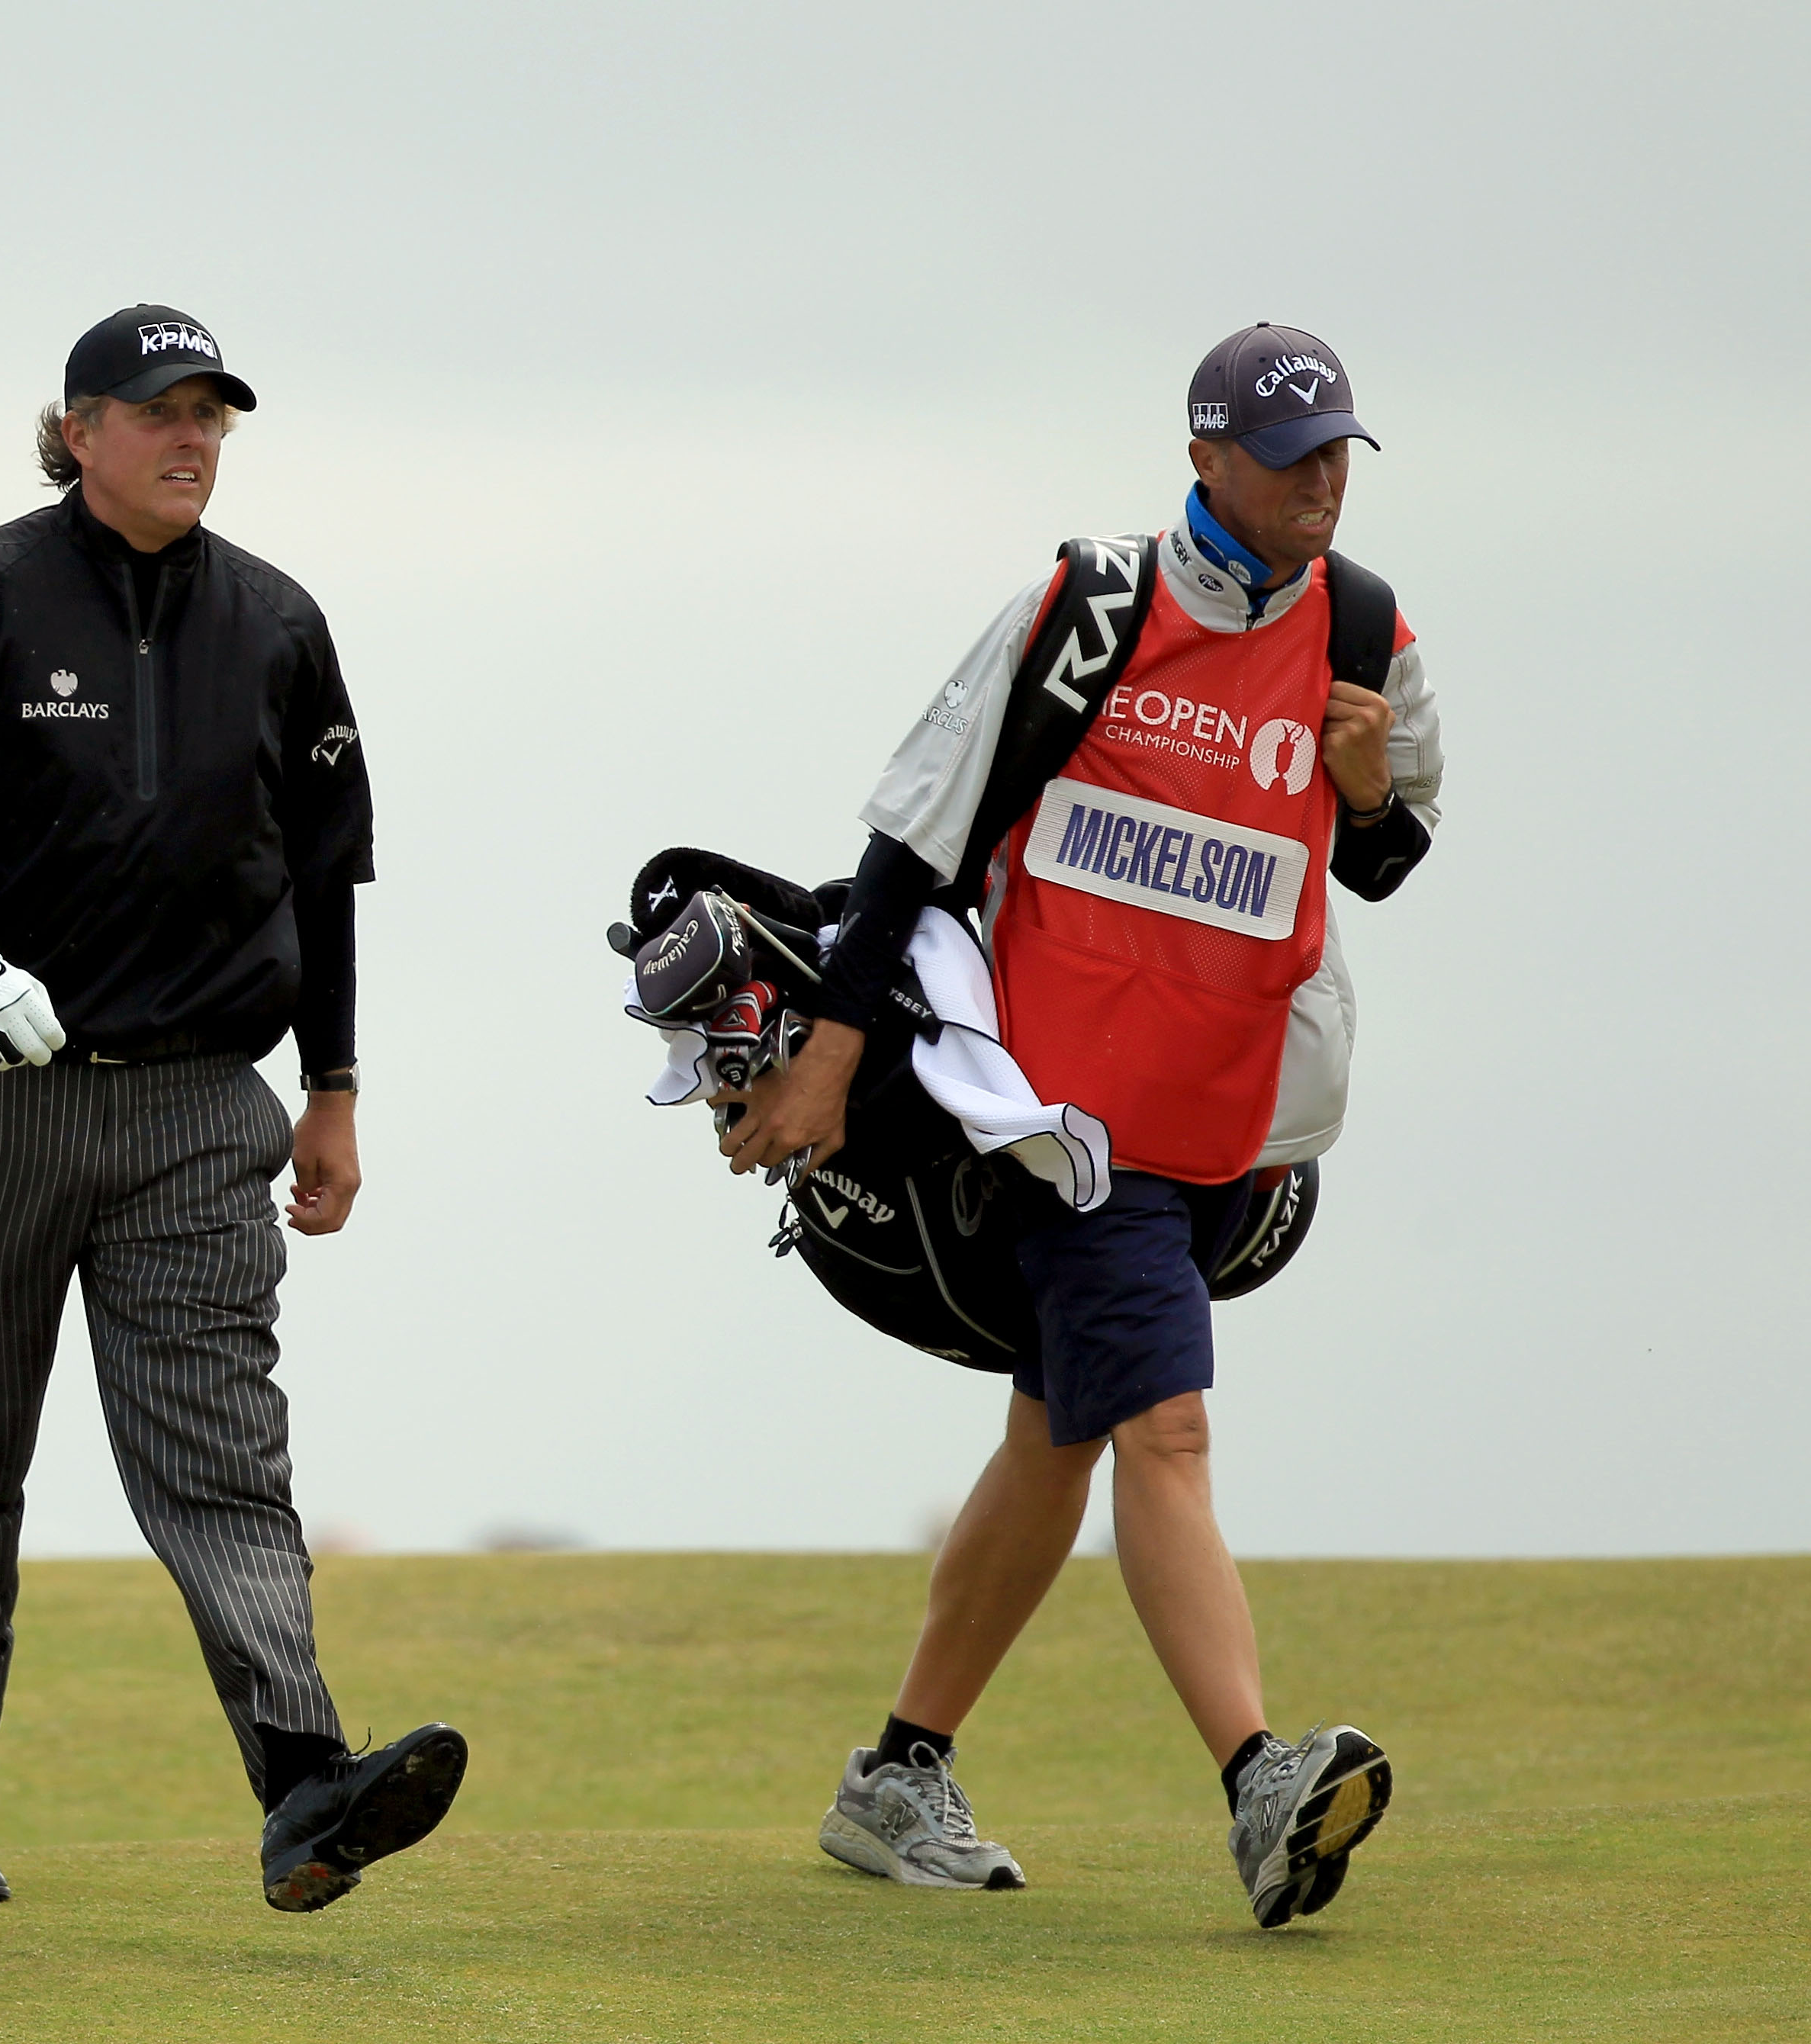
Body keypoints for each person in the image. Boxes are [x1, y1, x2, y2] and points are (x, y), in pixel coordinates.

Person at [721, 325, 1442, 1927]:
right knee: (1164, 1429)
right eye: (1288, 449)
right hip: (1063, 1120)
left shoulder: (1368, 634)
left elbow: (1382, 864)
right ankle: (1260, 1770)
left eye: (1338, 449)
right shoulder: (1086, 608)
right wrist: (831, 1052)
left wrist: (1373, 793)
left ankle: (897, 1768)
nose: (1322, 477)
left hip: (1232, 1125)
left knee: (1057, 1434)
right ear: (1206, 459)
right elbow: (917, 835)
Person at [0, 305, 466, 1914]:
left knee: (223, 1451)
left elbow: (327, 879)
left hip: (198, 1106)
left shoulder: (276, 620)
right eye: (162, 411)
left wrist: (332, 1085)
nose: (193, 439)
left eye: (215, 416)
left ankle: (304, 1778)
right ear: (80, 425)